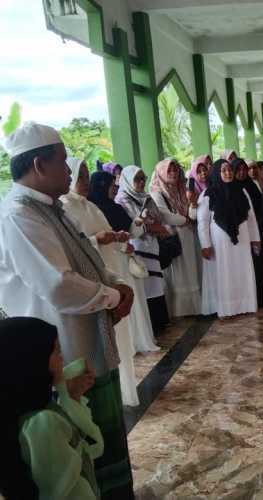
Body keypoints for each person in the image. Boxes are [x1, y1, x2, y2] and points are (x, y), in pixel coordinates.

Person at [0, 122, 135, 498]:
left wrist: (118, 284)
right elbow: (58, 284)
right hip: (60, 353)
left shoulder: (54, 208)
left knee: (101, 437)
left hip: (85, 340)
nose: (69, 168)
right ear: (39, 165)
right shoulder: (18, 216)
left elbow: (87, 259)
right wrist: (112, 296)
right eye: (62, 160)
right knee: (72, 448)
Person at [62, 158, 143, 406]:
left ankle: (124, 393)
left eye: (87, 176)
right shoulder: (64, 208)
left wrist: (118, 238)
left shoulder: (91, 206)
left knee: (118, 339)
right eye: (80, 176)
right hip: (90, 285)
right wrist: (98, 239)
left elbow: (106, 235)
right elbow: (74, 248)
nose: (85, 182)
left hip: (109, 273)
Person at [1, 317, 104, 500]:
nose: (62, 358)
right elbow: (87, 452)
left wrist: (72, 396)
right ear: (32, 361)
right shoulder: (44, 423)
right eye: (56, 352)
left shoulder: (19, 411)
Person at [87, 171, 160, 355]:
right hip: (112, 261)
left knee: (133, 299)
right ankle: (129, 343)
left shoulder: (115, 207)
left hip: (125, 258)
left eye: (116, 185)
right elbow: (99, 239)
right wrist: (120, 246)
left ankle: (137, 339)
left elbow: (130, 232)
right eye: (112, 186)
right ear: (102, 186)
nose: (115, 189)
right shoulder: (94, 209)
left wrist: (138, 221)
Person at [198, 160, 261, 318]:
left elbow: (251, 216)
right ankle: (227, 307)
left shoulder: (241, 190)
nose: (228, 173)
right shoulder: (208, 193)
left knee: (242, 269)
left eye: (229, 170)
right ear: (217, 173)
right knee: (225, 271)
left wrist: (255, 239)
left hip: (243, 236)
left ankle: (246, 304)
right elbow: (202, 221)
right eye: (224, 170)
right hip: (220, 241)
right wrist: (205, 244)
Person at [116, 165, 171, 335]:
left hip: (152, 244)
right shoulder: (122, 199)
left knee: (155, 283)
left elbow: (157, 218)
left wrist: (156, 226)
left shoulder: (147, 197)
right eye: (137, 179)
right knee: (144, 282)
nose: (141, 183)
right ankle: (151, 325)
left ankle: (160, 321)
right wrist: (155, 227)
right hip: (137, 245)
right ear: (127, 180)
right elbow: (135, 223)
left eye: (143, 179)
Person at [150, 159, 202, 317]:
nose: (173, 173)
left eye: (175, 170)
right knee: (179, 273)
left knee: (191, 271)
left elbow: (192, 212)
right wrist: (185, 220)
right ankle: (180, 310)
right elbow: (165, 215)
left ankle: (195, 308)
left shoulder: (182, 189)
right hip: (173, 238)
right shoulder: (156, 192)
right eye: (169, 170)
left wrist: (192, 205)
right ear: (161, 173)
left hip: (189, 236)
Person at [232, 157, 263, 307]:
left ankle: (259, 298)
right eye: (238, 170)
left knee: (257, 263)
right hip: (240, 232)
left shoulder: (252, 185)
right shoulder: (231, 187)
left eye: (244, 170)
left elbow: (261, 206)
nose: (241, 173)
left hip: (256, 229)